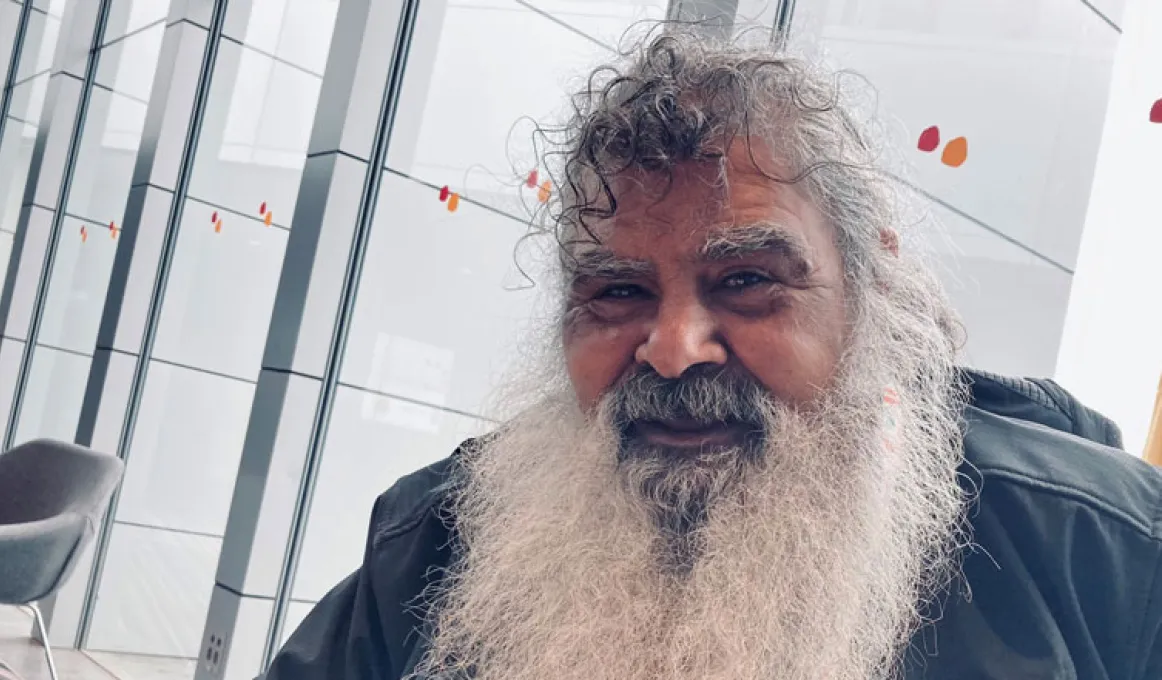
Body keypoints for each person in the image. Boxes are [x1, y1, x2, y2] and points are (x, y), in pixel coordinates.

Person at [264, 31, 1162, 680]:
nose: (673, 348)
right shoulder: (431, 550)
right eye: (618, 293)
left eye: (745, 281)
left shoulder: (1102, 551)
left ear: (867, 292)